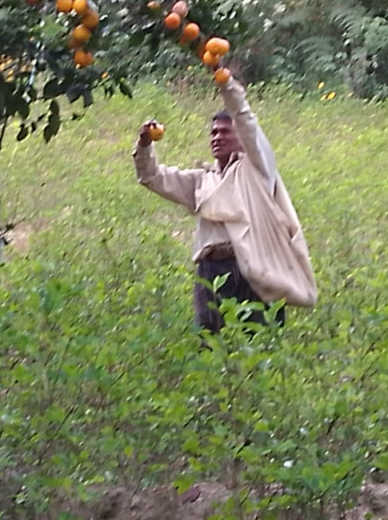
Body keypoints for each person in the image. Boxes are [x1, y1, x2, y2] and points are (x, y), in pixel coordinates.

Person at [132, 72, 317, 335]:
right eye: (213, 133)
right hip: (212, 269)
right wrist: (144, 144)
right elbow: (152, 177)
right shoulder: (201, 181)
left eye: (225, 132)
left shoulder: (257, 170)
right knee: (210, 338)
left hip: (255, 266)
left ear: (241, 138)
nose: (217, 138)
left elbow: (245, 118)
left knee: (258, 338)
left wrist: (224, 81)